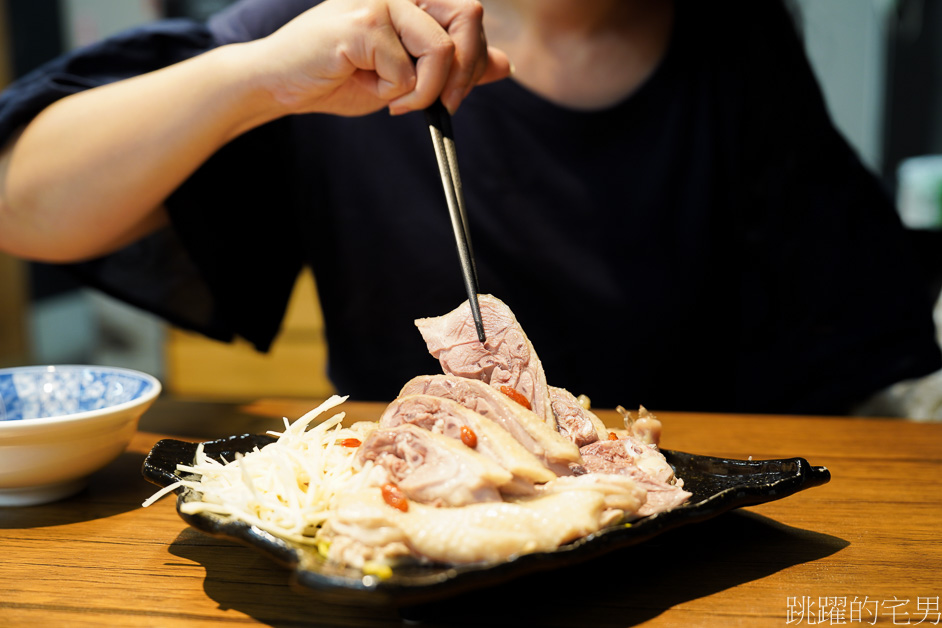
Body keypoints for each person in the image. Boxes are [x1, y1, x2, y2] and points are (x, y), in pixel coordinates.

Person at [0, 0, 938, 415]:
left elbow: (857, 344)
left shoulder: (733, 40)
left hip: (677, 546)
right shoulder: (345, 28)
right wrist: (262, 78)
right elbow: (24, 205)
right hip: (410, 541)